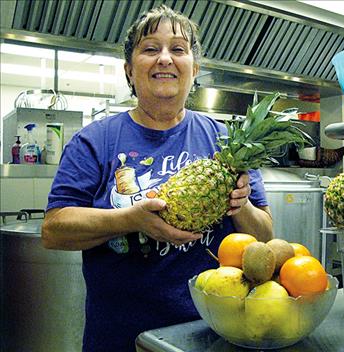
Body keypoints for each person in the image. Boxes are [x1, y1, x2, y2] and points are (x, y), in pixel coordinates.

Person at [41, 5, 273, 352]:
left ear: (194, 68)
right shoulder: (94, 140)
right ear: (129, 70)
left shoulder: (227, 141)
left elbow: (266, 237)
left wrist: (240, 206)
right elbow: (53, 230)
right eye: (150, 49)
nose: (165, 58)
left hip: (215, 334)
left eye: (178, 49)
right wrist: (129, 219)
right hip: (121, 338)